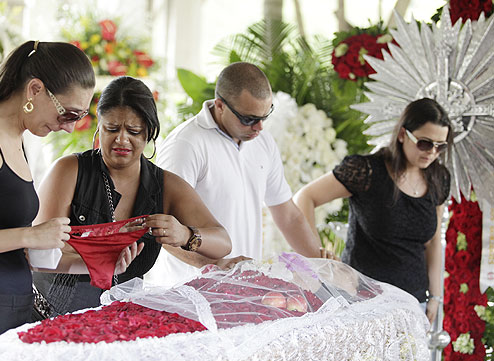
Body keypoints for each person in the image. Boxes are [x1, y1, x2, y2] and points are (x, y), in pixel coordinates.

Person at [0, 41, 99, 361]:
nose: (70, 126)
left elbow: (12, 248)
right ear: (35, 89)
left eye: (80, 116)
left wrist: (101, 257)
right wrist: (29, 235)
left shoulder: (16, 136)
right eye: (68, 113)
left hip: (14, 309)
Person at [32, 76, 232, 315]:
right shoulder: (68, 171)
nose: (122, 139)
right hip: (46, 318)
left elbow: (223, 243)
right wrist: (98, 257)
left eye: (134, 131)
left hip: (119, 326)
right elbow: (39, 251)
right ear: (99, 127)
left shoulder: (166, 185)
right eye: (112, 129)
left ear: (148, 134)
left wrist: (186, 235)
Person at [145, 62, 322, 288]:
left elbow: (288, 216)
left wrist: (322, 269)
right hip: (188, 289)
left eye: (264, 117)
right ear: (220, 105)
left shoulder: (263, 142)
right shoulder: (186, 144)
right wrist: (215, 265)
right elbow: (159, 228)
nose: (259, 127)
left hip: (245, 289)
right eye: (248, 119)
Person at [294, 98, 452, 324]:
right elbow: (304, 197)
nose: (432, 152)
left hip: (413, 303)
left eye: (440, 146)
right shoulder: (366, 171)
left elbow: (433, 242)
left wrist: (436, 296)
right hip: (362, 301)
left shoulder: (439, 178)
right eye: (425, 143)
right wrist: (317, 260)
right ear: (402, 135)